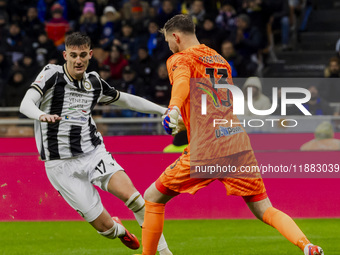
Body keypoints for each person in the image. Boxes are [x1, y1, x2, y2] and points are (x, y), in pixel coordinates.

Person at [135, 14, 324, 255]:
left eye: (167, 41)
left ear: (175, 36)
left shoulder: (179, 58)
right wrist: (185, 122)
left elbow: (181, 82)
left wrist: (173, 107)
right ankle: (307, 246)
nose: (168, 46)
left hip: (208, 147)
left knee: (152, 198)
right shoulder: (220, 60)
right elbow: (212, 105)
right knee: (264, 208)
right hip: (236, 141)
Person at [19, 32, 172, 255]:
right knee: (105, 228)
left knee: (136, 200)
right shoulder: (51, 74)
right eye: (73, 55)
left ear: (90, 54)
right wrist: (40, 115)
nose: (78, 60)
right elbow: (25, 104)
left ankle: (165, 253)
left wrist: (162, 110)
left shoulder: (94, 82)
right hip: (60, 166)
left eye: (83, 55)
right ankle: (119, 230)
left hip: (93, 154)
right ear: (65, 55)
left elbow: (126, 99)